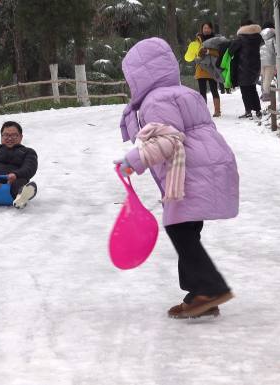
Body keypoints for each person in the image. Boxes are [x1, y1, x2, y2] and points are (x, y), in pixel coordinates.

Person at [115, 37, 239, 319]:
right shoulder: (183, 92)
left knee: (180, 229)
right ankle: (199, 294)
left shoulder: (156, 100)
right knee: (185, 229)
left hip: (192, 171)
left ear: (140, 75)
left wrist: (132, 161)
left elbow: (168, 141)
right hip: (205, 166)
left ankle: (209, 288)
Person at [228, 20, 263, 119]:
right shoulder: (258, 37)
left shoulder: (241, 38)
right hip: (255, 67)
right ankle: (258, 110)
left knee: (245, 90)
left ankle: (248, 111)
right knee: (253, 89)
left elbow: (231, 51)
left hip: (243, 67)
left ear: (242, 27)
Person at [191, 22, 221, 117]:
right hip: (201, 68)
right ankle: (204, 112)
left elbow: (219, 53)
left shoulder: (216, 40)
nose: (206, 30)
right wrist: (198, 54)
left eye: (208, 28)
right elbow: (193, 53)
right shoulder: (197, 40)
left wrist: (208, 51)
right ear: (202, 29)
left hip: (211, 68)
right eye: (204, 28)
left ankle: (217, 111)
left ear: (211, 29)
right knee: (202, 91)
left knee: (214, 89)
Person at [259, 21, 278, 101]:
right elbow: (276, 47)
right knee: (268, 77)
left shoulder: (259, 36)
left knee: (263, 77)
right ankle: (266, 94)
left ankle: (263, 92)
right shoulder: (273, 36)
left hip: (260, 59)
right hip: (270, 59)